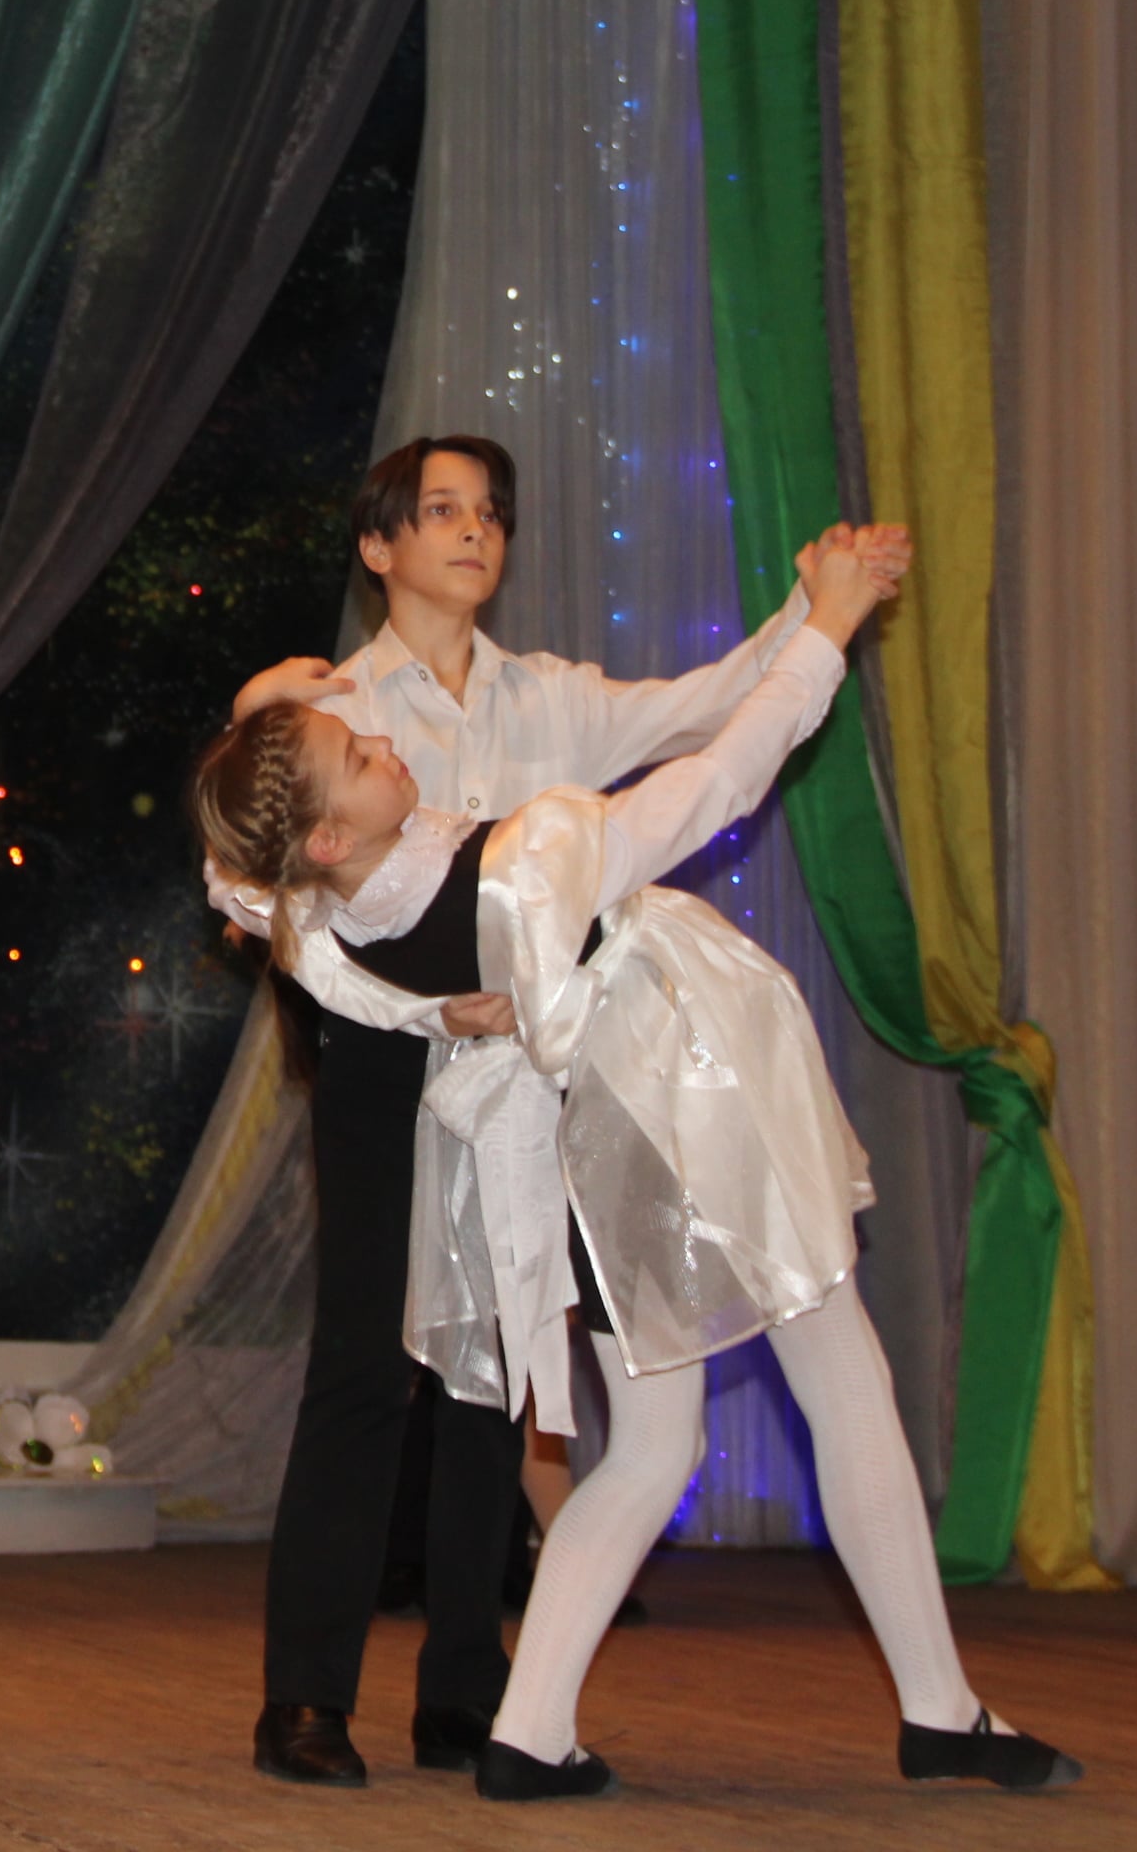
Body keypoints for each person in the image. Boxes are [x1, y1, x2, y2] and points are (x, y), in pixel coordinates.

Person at [193, 528, 1080, 1800]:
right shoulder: (524, 865)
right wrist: (827, 633)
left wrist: (262, 715)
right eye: (359, 756)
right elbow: (718, 782)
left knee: (656, 1447)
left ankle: (532, 1730)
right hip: (683, 1104)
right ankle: (939, 1711)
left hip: (589, 1164)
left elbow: (244, 880)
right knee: (845, 1380)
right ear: (329, 837)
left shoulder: (332, 919)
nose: (384, 744)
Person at [214, 434, 863, 1789]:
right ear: (379, 546)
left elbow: (708, 713)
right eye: (441, 510)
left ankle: (465, 1688)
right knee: (364, 1365)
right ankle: (305, 1699)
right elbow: (241, 878)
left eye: (491, 513)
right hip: (387, 1056)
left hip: (529, 1063)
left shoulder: (554, 698)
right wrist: (407, 997)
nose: (474, 531)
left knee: (499, 1372)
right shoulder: (331, 707)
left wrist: (817, 606)